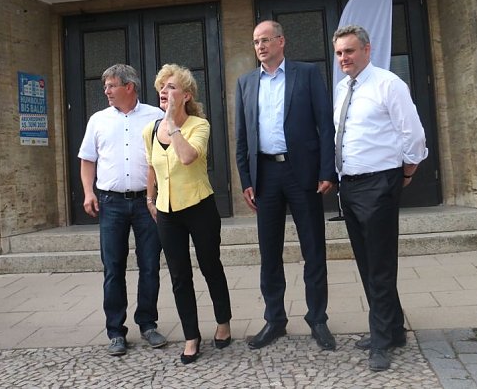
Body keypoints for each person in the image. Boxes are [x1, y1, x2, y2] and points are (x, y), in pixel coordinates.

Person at [235, 20, 337, 351]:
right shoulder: (246, 83)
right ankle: (275, 320)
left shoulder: (306, 74)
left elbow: (325, 124)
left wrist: (327, 170)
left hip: (301, 173)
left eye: (266, 40)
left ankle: (317, 319)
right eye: (255, 42)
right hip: (265, 175)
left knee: (313, 248)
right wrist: (246, 179)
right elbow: (242, 136)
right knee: (269, 252)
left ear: (281, 41)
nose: (260, 46)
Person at [332, 25, 427, 372]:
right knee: (366, 263)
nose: (344, 58)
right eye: (340, 52)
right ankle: (394, 328)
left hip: (380, 183)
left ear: (367, 50)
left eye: (350, 51)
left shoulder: (389, 84)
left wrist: (405, 175)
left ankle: (382, 341)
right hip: (351, 186)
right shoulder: (342, 89)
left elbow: (413, 135)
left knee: (381, 266)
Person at [144, 64, 232, 364]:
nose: (163, 92)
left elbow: (186, 157)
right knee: (180, 276)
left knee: (210, 266)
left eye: (170, 87)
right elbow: (152, 166)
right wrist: (149, 198)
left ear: (186, 95)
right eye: (161, 87)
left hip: (200, 207)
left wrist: (172, 123)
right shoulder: (150, 130)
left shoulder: (199, 125)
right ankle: (191, 336)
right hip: (167, 213)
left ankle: (223, 322)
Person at [79, 64, 167, 357]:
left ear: (129, 87)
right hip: (111, 203)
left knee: (150, 265)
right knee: (113, 267)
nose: (106, 91)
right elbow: (88, 159)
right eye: (105, 86)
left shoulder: (155, 115)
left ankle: (148, 324)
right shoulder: (98, 120)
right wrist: (88, 192)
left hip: (147, 203)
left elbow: (166, 156)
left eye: (111, 86)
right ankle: (116, 332)